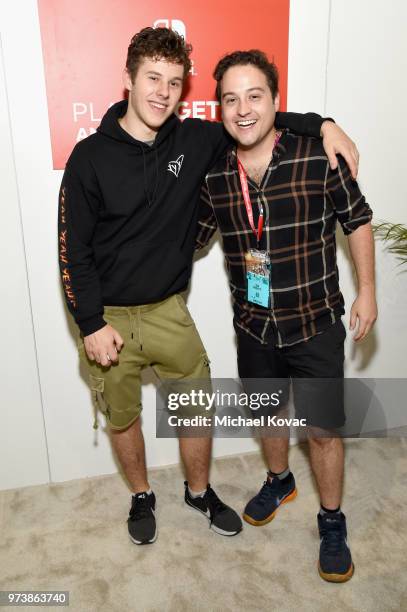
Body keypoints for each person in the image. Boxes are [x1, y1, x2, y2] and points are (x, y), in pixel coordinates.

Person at [58, 27, 359, 547]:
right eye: (152, 78)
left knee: (195, 407)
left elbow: (256, 122)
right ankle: (140, 494)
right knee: (124, 416)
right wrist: (90, 323)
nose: (162, 92)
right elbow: (72, 251)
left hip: (169, 310)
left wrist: (323, 124)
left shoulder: (194, 139)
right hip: (106, 317)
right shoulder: (88, 158)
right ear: (127, 79)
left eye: (174, 83)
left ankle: (198, 491)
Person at [196, 50, 377, 582]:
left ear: (276, 101)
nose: (243, 109)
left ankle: (332, 519)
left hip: (316, 322)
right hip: (253, 327)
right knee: (267, 416)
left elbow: (358, 220)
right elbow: (190, 240)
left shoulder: (317, 154)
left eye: (255, 96)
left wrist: (367, 291)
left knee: (323, 431)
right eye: (231, 99)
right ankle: (279, 479)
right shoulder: (214, 175)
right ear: (220, 108)